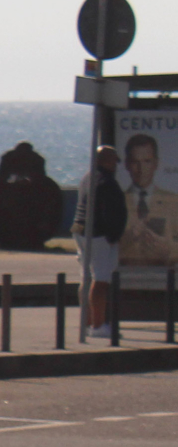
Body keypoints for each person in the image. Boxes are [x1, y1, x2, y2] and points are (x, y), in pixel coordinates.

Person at [76, 143, 127, 338]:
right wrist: (113, 236)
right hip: (98, 235)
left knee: (86, 277)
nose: (115, 165)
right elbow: (110, 212)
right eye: (113, 160)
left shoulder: (87, 178)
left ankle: (88, 322)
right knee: (101, 279)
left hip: (81, 230)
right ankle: (98, 326)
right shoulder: (106, 182)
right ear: (106, 161)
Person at [119, 132, 178, 267]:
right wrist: (129, 237)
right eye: (136, 162)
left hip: (163, 277)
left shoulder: (173, 201)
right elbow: (103, 246)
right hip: (125, 277)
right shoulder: (117, 201)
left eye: (147, 161)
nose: (141, 169)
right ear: (127, 164)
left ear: (156, 163)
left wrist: (169, 249)